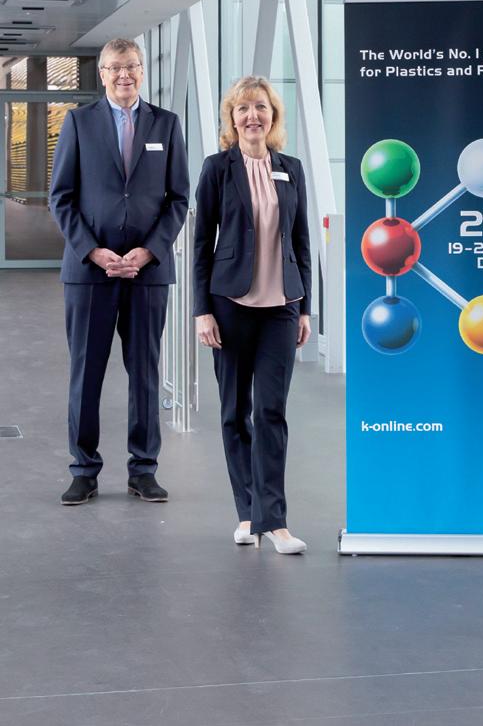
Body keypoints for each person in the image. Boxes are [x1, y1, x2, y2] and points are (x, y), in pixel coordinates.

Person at [50, 38, 189, 505]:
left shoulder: (166, 124)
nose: (124, 74)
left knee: (145, 373)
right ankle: (83, 470)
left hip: (147, 273)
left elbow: (178, 199)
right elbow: (61, 197)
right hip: (90, 273)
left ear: (142, 71)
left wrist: (150, 251)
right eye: (115, 67)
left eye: (131, 66)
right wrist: (92, 251)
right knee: (86, 372)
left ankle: (143, 470)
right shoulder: (78, 122)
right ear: (103, 74)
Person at [193, 76, 312, 555]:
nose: (252, 116)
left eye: (260, 107)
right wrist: (202, 310)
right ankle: (247, 513)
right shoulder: (217, 168)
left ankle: (275, 521)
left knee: (271, 412)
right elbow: (201, 243)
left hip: (281, 307)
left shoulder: (291, 168)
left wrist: (305, 308)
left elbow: (301, 241)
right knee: (234, 412)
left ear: (273, 115)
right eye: (242, 109)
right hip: (230, 305)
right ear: (232, 118)